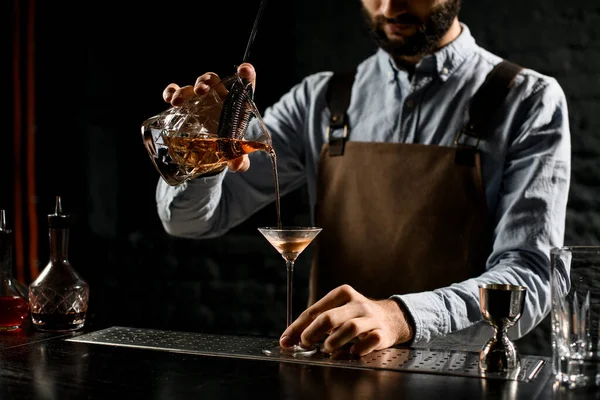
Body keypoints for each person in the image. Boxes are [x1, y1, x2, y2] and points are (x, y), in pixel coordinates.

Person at [155, 0, 571, 357]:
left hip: (462, 379)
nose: (389, 7)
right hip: (331, 378)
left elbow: (529, 278)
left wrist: (401, 316)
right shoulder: (318, 100)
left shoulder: (528, 101)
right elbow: (190, 222)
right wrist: (200, 151)